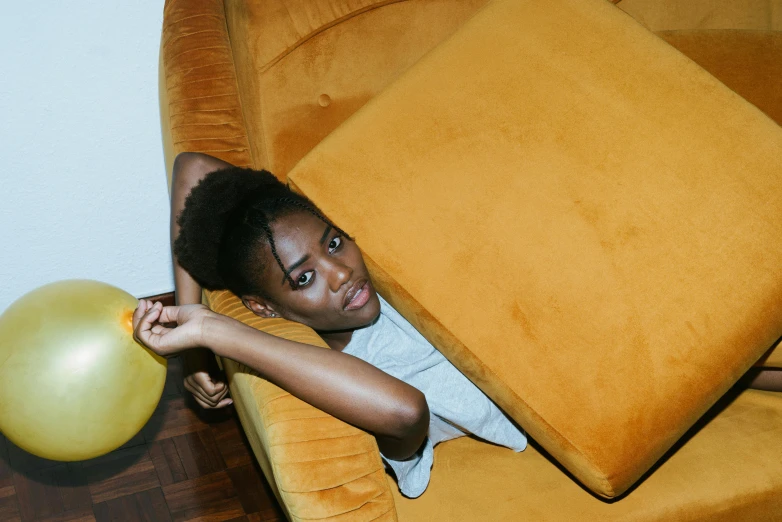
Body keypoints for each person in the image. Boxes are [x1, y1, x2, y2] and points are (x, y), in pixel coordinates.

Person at [133, 152, 782, 497]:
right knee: (723, 365)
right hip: (569, 390)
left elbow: (192, 164)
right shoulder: (349, 368)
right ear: (265, 309)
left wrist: (194, 359)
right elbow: (403, 411)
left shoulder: (361, 283)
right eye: (303, 278)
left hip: (542, 316)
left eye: (334, 242)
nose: (341, 274)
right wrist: (212, 335)